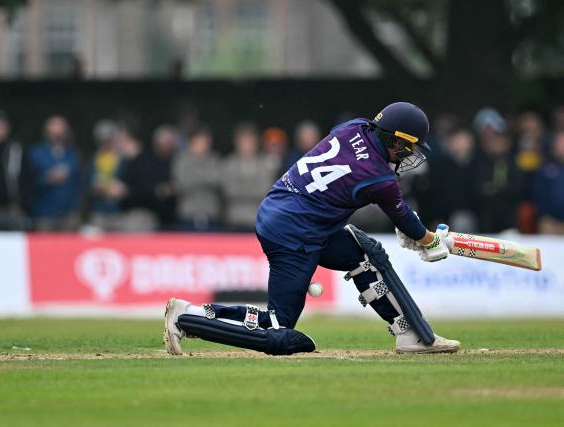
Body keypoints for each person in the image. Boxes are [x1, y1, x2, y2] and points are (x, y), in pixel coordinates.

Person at [164, 102, 460, 356]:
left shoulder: (353, 127)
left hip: (290, 212)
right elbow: (405, 218)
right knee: (277, 329)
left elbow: (395, 210)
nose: (408, 155)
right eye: (408, 147)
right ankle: (188, 317)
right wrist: (429, 240)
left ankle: (408, 332)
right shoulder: (379, 178)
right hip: (295, 230)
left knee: (365, 255)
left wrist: (414, 230)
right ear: (395, 140)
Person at [27, 115, 81, 231]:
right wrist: (46, 179)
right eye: (53, 128)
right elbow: (28, 181)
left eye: (60, 129)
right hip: (44, 213)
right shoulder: (36, 153)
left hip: (69, 214)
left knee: (69, 247)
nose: (57, 132)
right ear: (46, 131)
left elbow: (79, 182)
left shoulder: (73, 154)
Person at [220, 123, 277, 231]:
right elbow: (229, 191)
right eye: (243, 142)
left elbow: (265, 191)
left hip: (258, 219)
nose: (247, 146)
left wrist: (242, 186)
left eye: (250, 142)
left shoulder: (265, 164)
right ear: (237, 143)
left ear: (256, 143)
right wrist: (252, 187)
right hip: (234, 219)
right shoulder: (228, 164)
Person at [172, 125, 221, 230]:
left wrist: (195, 177)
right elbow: (182, 183)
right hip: (188, 212)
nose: (203, 144)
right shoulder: (182, 160)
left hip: (210, 212)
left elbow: (217, 180)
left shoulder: (214, 159)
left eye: (205, 141)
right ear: (191, 142)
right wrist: (205, 179)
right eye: (199, 141)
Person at [534, 131, 564, 233]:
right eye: (559, 142)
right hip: (550, 222)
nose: (561, 145)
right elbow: (539, 194)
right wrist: (543, 216)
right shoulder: (545, 169)